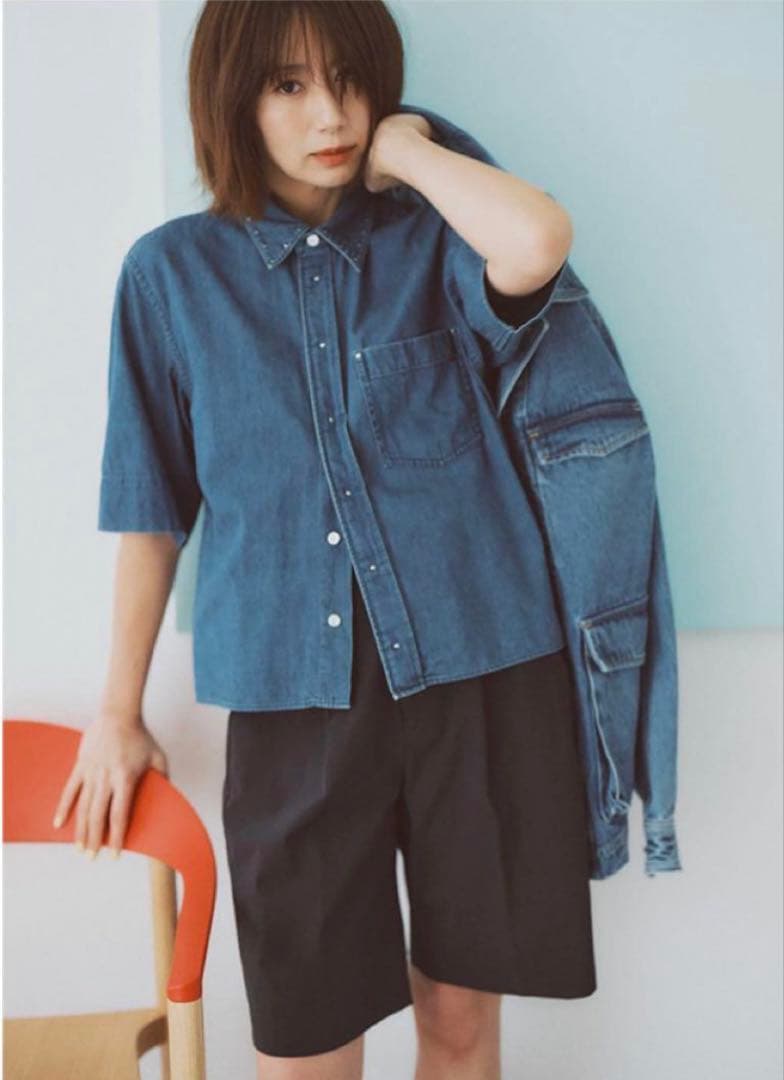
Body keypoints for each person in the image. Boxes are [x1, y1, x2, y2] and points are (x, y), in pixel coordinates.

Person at [55, 2, 597, 1077]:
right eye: (289, 85)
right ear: (233, 98)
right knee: (305, 1047)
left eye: (350, 79)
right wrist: (117, 711)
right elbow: (151, 514)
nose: (331, 115)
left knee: (460, 1027)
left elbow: (538, 241)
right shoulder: (170, 277)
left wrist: (409, 149)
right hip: (290, 702)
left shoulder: (437, 239)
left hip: (480, 678)